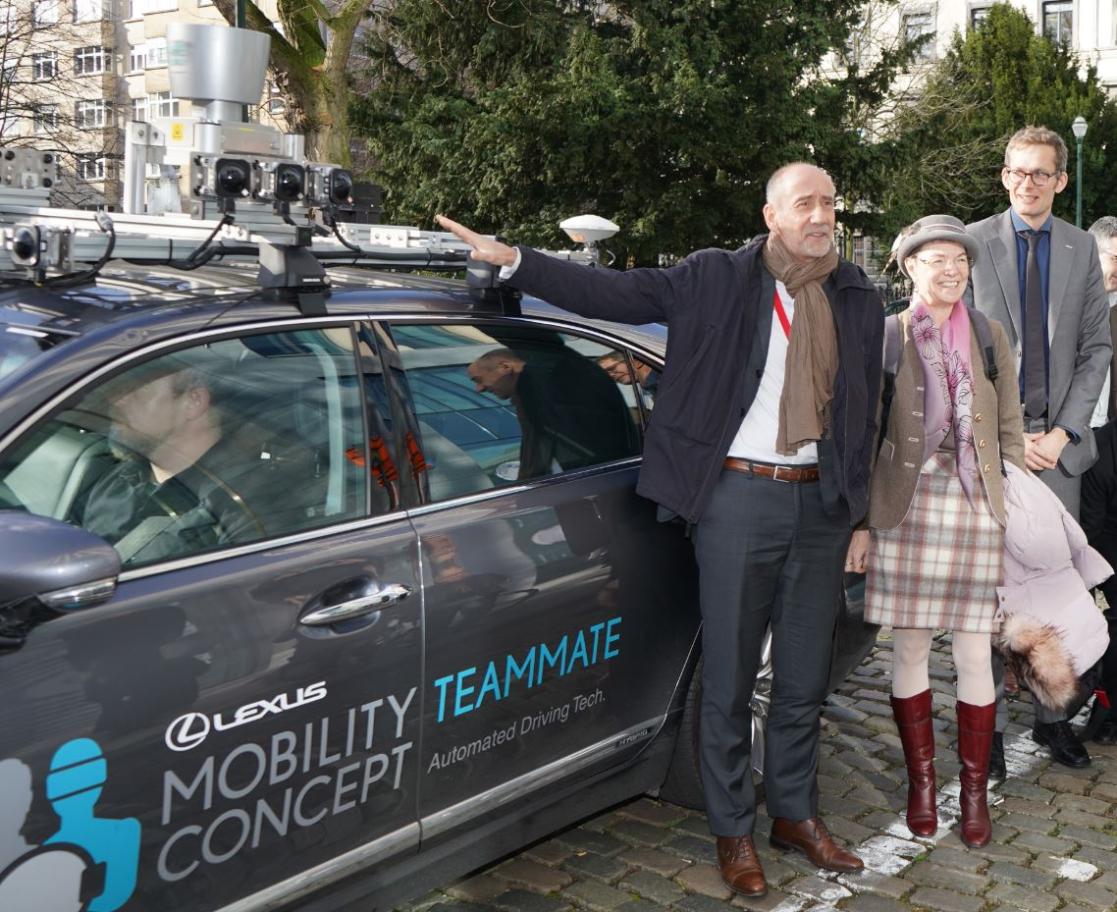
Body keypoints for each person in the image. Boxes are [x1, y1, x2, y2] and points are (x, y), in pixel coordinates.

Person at [437, 161, 883, 898]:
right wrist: (515, 259)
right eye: (804, 203)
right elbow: (613, 293)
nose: (819, 215)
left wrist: (859, 514)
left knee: (803, 676)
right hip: (738, 498)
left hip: (821, 504)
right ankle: (732, 828)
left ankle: (795, 814)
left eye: (828, 203)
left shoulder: (854, 293)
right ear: (771, 215)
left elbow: (866, 407)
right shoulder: (715, 277)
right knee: (729, 676)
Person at [849, 215, 1025, 848]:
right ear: (910, 268)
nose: (951, 270)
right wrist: (861, 524)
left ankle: (974, 793)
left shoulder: (988, 334)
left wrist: (1010, 506)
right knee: (910, 649)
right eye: (936, 260)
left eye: (960, 260)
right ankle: (921, 785)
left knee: (975, 653)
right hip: (908, 505)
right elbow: (864, 434)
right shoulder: (887, 336)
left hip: (977, 505)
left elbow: (1009, 426)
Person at [967, 125, 1112, 773]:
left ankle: (1053, 721)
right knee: (988, 597)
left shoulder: (1080, 250)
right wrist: (1006, 437)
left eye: (1040, 173)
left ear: (1060, 180)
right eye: (1016, 171)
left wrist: (1062, 433)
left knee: (1054, 594)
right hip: (990, 454)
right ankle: (987, 735)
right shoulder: (972, 244)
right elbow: (959, 350)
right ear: (1004, 176)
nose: (1026, 183)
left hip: (1057, 455)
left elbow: (1095, 350)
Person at [74, 358, 275, 565]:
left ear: (194, 402)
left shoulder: (246, 504)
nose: (117, 403)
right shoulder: (116, 481)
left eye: (138, 392)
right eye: (119, 392)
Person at [467, 345, 636, 478]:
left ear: (504, 367)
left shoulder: (545, 396)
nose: (479, 389)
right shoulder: (533, 394)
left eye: (478, 380)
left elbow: (544, 454)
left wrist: (525, 492)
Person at [1078, 215, 1117, 745]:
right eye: (1112, 259)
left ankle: (1105, 703)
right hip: (1067, 454)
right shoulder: (1071, 309)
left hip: (1107, 456)